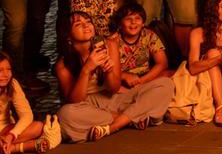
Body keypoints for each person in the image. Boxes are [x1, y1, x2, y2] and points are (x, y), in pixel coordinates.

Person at [56, 10, 172, 142]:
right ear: (68, 36)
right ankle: (131, 118)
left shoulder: (109, 45)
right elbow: (75, 101)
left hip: (114, 99)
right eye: (78, 24)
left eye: (88, 22)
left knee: (165, 84)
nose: (86, 25)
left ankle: (113, 127)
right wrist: (86, 70)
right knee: (65, 114)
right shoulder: (63, 65)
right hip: (88, 106)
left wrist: (109, 70)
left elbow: (114, 88)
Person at [0, 50, 59, 154]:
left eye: (8, 69)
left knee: (38, 127)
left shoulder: (12, 84)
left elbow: (26, 115)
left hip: (5, 129)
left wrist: (10, 136)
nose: (6, 74)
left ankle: (8, 147)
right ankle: (20, 147)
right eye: (0, 70)